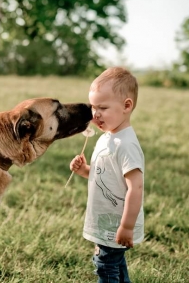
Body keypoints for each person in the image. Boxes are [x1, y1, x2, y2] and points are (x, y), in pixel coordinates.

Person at [69, 67, 145, 283]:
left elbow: (135, 188)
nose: (95, 114)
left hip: (117, 223)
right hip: (106, 220)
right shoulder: (107, 137)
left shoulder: (126, 145)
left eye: (102, 107)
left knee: (105, 266)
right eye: (93, 107)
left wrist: (126, 227)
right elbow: (106, 177)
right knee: (115, 264)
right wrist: (84, 170)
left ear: (126, 106)